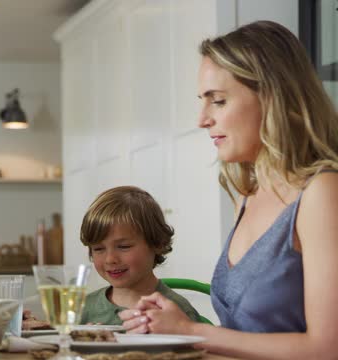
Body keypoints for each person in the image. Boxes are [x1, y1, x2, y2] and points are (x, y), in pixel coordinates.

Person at [119, 21, 338, 359]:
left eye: (218, 101)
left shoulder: (322, 192)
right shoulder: (247, 194)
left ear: (272, 97)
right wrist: (168, 327)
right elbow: (246, 337)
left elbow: (327, 348)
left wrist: (192, 332)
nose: (202, 119)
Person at [79, 186, 200, 325]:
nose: (110, 259)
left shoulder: (176, 313)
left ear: (157, 243)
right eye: (98, 249)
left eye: (124, 247)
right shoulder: (82, 310)